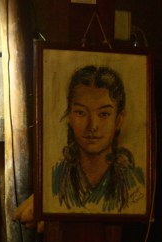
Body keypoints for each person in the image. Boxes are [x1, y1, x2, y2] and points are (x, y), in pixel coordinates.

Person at [51, 65, 145, 213]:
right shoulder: (55, 178)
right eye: (81, 113)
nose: (92, 126)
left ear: (118, 120)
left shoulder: (135, 181)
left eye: (104, 114)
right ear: (69, 117)